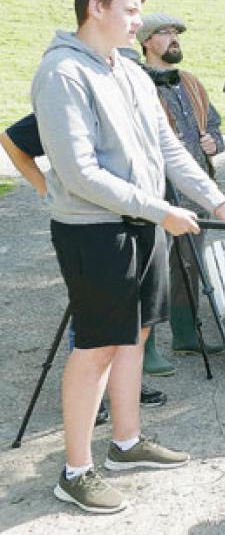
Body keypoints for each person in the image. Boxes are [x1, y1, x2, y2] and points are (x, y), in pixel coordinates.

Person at [31, 0, 225, 514]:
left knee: (135, 334)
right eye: (130, 11)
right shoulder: (62, 73)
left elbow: (169, 149)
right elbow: (79, 174)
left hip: (144, 222)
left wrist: (217, 203)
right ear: (96, 8)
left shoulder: (129, 70)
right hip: (94, 230)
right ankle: (75, 471)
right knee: (97, 347)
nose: (139, 22)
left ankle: (126, 444)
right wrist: (162, 210)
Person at [2, 113, 168, 420]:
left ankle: (122, 389)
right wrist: (45, 189)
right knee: (93, 318)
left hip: (133, 221)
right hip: (89, 226)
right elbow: (11, 140)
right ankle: (94, 397)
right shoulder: (67, 96)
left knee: (130, 317)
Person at [137, 12, 225, 370]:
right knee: (151, 268)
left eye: (176, 33)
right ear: (146, 41)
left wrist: (212, 143)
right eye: (165, 33)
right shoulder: (136, 83)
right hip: (155, 196)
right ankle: (145, 350)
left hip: (195, 195)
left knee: (188, 265)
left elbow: (216, 127)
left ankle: (187, 335)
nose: (174, 38)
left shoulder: (190, 82)